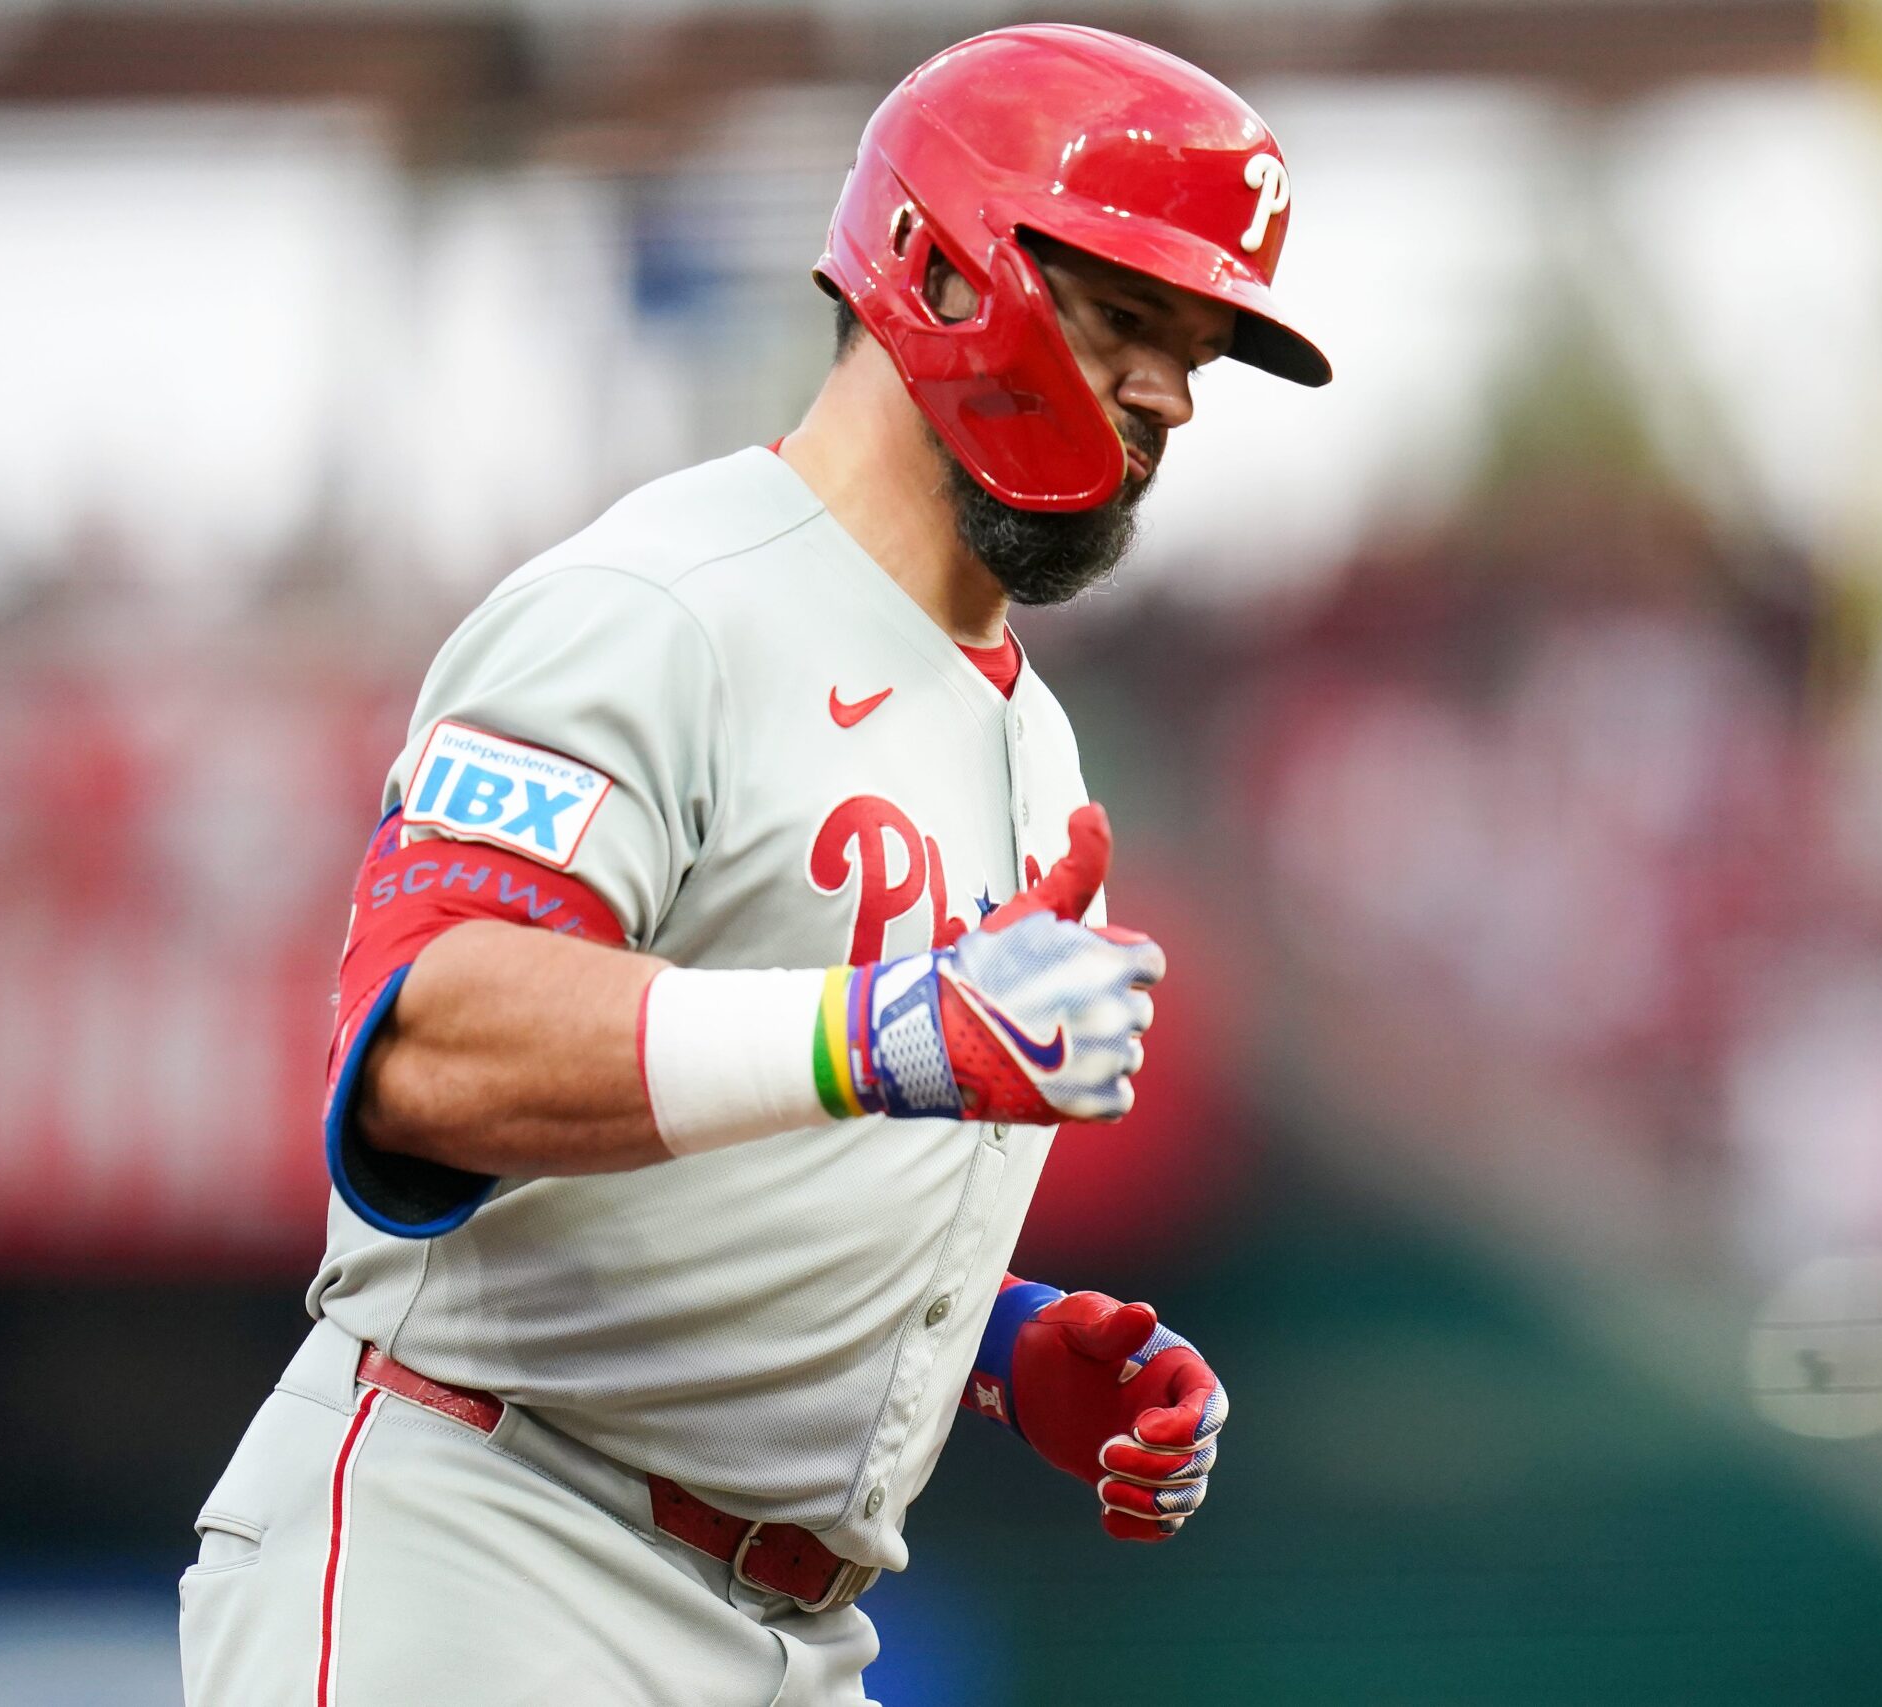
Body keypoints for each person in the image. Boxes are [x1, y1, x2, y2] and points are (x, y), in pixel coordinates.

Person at [176, 24, 1330, 1705]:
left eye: (1198, 352)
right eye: (1125, 317)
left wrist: (989, 1348)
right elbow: (422, 1041)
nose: (1168, 392)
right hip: (486, 1546)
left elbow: (774, 1124)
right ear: (937, 273)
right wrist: (882, 1032)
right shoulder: (663, 602)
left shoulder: (1032, 733)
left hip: (784, 1632)